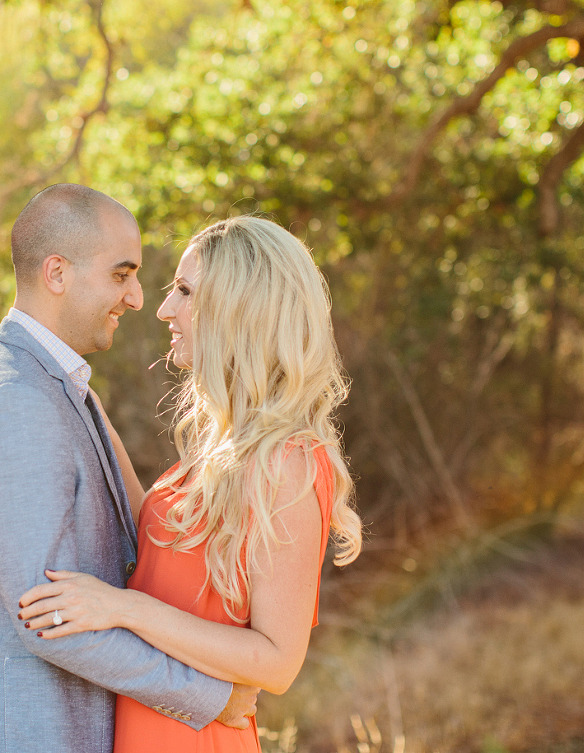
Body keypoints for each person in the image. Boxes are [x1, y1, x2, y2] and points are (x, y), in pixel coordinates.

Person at [0, 184, 258, 753]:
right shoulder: (14, 398)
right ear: (57, 273)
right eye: (120, 275)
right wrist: (209, 696)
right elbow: (46, 618)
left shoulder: (56, 386)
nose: (135, 298)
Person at [18, 216, 363, 753]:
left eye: (184, 292)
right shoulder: (220, 451)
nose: (163, 309)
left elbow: (277, 661)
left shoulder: (286, 462)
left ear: (240, 309)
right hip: (147, 726)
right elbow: (155, 540)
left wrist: (120, 608)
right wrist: (89, 414)